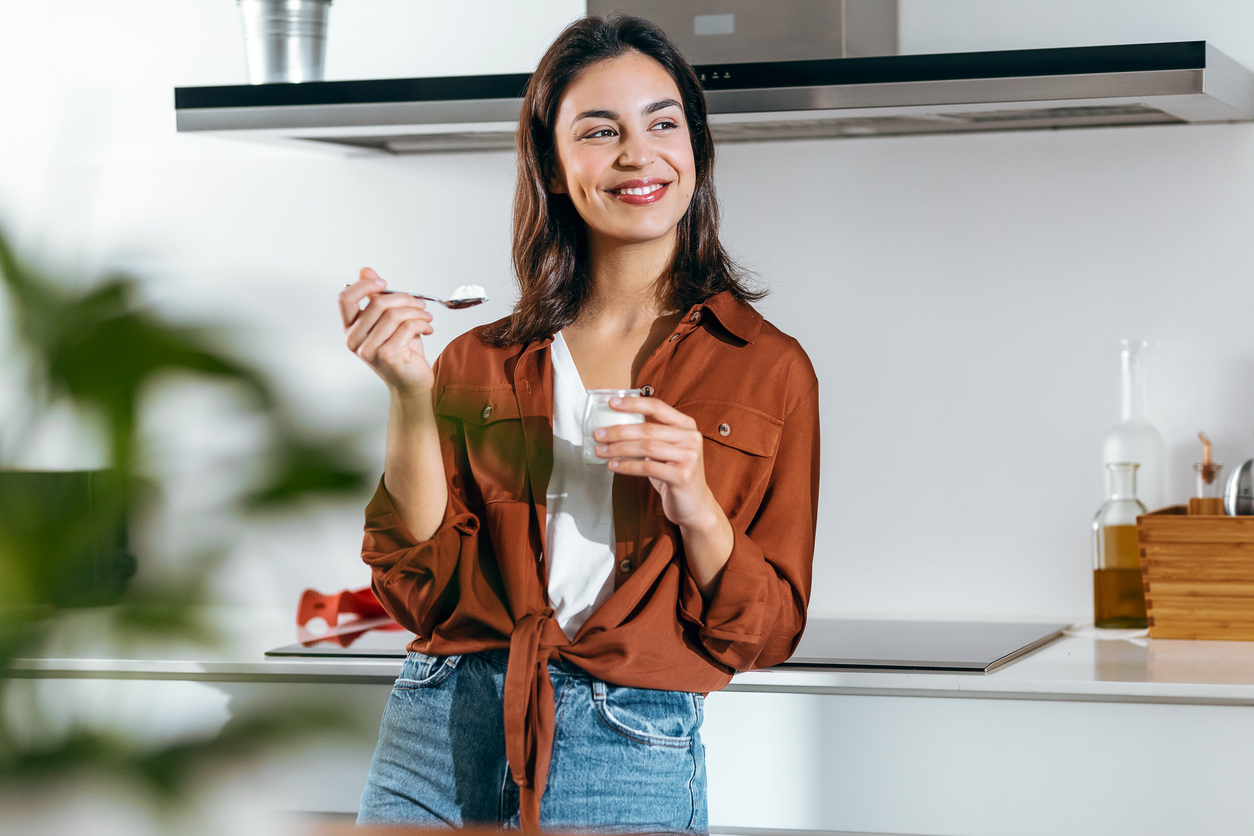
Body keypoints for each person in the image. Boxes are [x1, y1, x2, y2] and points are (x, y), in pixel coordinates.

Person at [338, 13, 819, 834]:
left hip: (628, 740)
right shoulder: (478, 360)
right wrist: (409, 396)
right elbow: (419, 591)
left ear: (695, 152)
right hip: (439, 727)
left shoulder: (766, 367)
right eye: (601, 131)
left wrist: (695, 499)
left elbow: (766, 631)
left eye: (663, 123)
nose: (638, 154)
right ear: (556, 170)